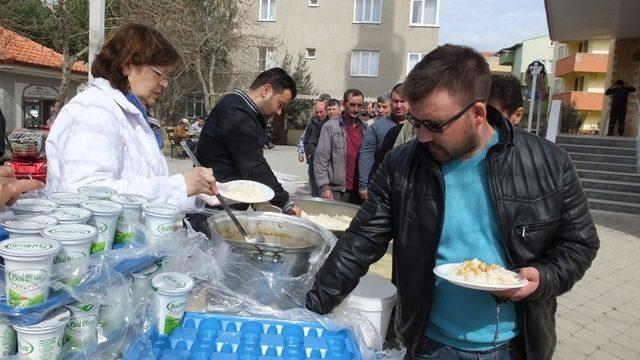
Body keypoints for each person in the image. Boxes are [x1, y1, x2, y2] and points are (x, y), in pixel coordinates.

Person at [305, 44, 599, 360]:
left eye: (435, 125)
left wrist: (545, 277)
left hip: (515, 347)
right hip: (429, 344)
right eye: (418, 124)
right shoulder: (402, 165)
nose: (423, 138)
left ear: (477, 114)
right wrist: (309, 310)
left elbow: (580, 243)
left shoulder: (547, 162)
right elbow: (359, 243)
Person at [46, 23, 217, 211]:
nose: (165, 83)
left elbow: (147, 190)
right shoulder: (92, 111)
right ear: (127, 65)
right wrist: (180, 185)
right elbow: (85, 194)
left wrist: (197, 192)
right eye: (160, 74)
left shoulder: (134, 115)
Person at [196, 67, 300, 215]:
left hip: (227, 203)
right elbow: (254, 167)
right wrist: (285, 203)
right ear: (266, 91)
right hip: (216, 207)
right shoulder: (237, 115)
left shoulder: (243, 110)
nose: (279, 112)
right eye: (280, 104)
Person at [314, 89, 367, 204]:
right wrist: (324, 186)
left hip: (358, 190)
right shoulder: (330, 126)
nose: (356, 109)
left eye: (359, 105)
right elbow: (321, 159)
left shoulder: (365, 127)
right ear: (343, 104)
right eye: (352, 105)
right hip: (336, 191)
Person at [357, 93, 396, 200]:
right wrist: (363, 184)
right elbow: (366, 154)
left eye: (384, 107)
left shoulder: (410, 125)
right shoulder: (372, 126)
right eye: (378, 106)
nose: (380, 110)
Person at [371, 84, 410, 177]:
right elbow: (380, 162)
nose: (399, 105)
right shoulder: (391, 131)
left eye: (402, 101)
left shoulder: (421, 127)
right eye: (395, 101)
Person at [302, 101, 329, 197]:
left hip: (326, 161)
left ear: (326, 110)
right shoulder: (311, 123)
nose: (319, 114)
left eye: (321, 112)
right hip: (313, 159)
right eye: (317, 112)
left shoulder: (330, 123)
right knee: (315, 189)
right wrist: (308, 154)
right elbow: (306, 140)